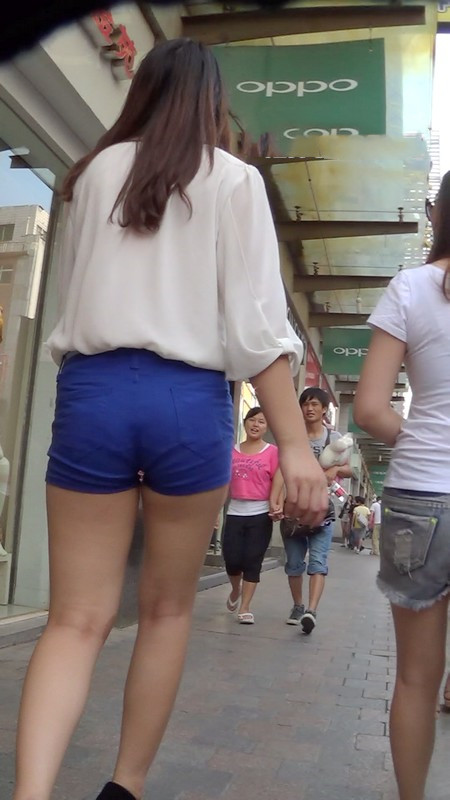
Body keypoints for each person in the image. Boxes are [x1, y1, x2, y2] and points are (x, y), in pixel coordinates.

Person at [12, 40, 329, 800]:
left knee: (74, 619)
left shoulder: (93, 174)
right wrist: (295, 448)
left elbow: (74, 301)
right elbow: (257, 330)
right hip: (187, 400)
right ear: (213, 103)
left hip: (93, 393)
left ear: (143, 92)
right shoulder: (234, 180)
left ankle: (30, 792)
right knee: (164, 611)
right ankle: (123, 786)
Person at [354, 171, 450, 800]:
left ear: (439, 214)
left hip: (420, 496)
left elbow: (368, 409)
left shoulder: (411, 288)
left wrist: (418, 439)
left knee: (416, 679)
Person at [271, 387, 353, 633]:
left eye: (315, 404)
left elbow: (349, 469)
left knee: (318, 562)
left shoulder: (334, 438)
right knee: (294, 563)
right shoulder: (293, 437)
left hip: (323, 510)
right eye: (305, 404)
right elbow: (281, 470)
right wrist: (275, 500)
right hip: (294, 509)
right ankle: (298, 606)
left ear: (324, 409)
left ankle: (311, 611)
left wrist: (335, 470)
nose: (309, 408)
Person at [222, 407, 278, 624]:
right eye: (252, 420)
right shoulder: (231, 451)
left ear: (267, 427)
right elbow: (223, 483)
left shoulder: (272, 452)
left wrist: (276, 503)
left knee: (253, 561)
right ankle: (235, 589)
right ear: (245, 423)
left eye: (261, 422)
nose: (256, 425)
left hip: (260, 513)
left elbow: (278, 479)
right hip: (235, 511)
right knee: (232, 560)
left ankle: (245, 607)